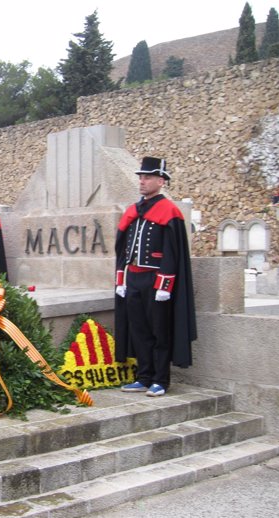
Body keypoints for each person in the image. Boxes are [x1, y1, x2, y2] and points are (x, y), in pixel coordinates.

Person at [114, 157, 197, 397]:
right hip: (134, 279)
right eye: (140, 177)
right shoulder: (134, 210)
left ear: (161, 181)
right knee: (139, 329)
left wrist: (165, 285)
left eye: (147, 177)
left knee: (160, 331)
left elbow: (172, 252)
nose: (142, 181)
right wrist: (122, 280)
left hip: (156, 280)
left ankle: (161, 379)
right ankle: (144, 376)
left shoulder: (169, 211)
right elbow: (123, 250)